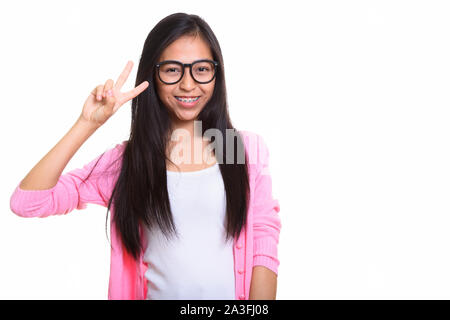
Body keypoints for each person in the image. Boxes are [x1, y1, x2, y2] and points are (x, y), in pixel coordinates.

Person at [9, 12, 281, 300]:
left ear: (217, 73)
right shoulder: (128, 161)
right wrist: (87, 123)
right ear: (153, 74)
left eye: (201, 69)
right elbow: (28, 202)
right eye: (172, 70)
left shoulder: (238, 148)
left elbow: (264, 233)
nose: (188, 85)